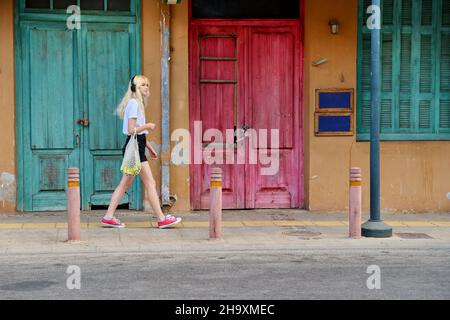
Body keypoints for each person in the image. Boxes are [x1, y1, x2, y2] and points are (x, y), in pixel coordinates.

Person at [101, 75, 182, 229]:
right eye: (143, 85)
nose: (146, 87)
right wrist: (148, 126)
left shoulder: (137, 104)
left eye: (147, 85)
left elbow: (140, 136)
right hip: (134, 149)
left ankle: (109, 216)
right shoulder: (133, 104)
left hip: (138, 147)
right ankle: (161, 218)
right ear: (135, 88)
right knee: (147, 183)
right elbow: (132, 131)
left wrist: (150, 149)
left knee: (127, 184)